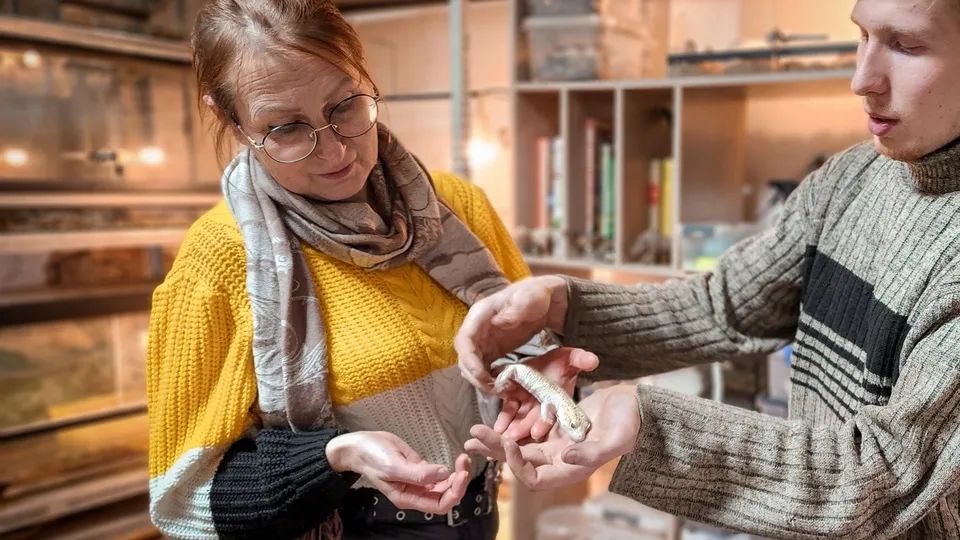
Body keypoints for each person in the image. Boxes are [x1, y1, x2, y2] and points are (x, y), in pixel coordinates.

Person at [455, 0, 960, 538]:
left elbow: (883, 472)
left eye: (905, 46)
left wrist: (651, 425)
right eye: (861, 36)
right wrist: (558, 303)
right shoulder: (853, 177)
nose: (862, 78)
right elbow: (724, 306)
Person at [144, 1, 578, 539]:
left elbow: (538, 352)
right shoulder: (218, 262)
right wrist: (335, 455)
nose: (333, 150)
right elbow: (183, 498)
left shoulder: (459, 206)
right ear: (232, 121)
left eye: (345, 104)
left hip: (481, 519)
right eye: (285, 127)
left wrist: (545, 388)